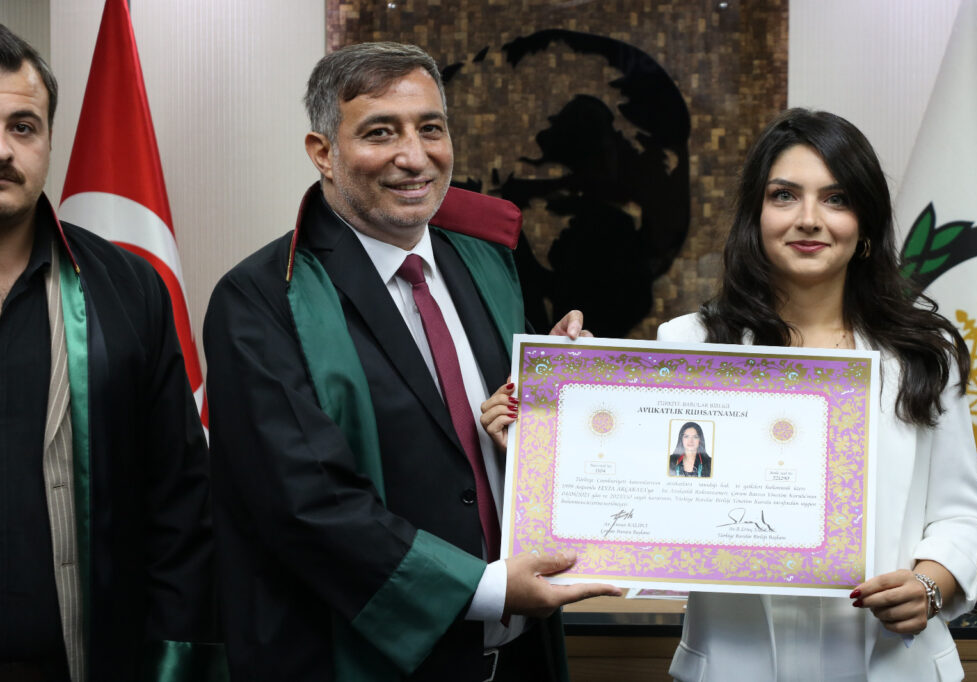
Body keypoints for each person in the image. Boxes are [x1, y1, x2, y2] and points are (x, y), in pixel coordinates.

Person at [203, 41, 619, 682]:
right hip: (362, 658)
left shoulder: (487, 262)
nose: (414, 156)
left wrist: (563, 389)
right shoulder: (261, 299)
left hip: (520, 657)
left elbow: (508, 439)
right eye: (380, 132)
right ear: (323, 153)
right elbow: (304, 504)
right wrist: (485, 589)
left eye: (430, 128)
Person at [657, 108, 977, 680]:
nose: (809, 219)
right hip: (735, 662)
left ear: (865, 224)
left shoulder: (923, 353)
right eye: (784, 196)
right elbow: (647, 496)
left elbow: (961, 515)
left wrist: (929, 586)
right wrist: (550, 400)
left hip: (893, 663)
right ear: (756, 216)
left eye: (836, 199)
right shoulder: (689, 345)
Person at [0, 25, 217, 682]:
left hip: (84, 662)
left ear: (49, 139)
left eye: (23, 127)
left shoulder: (128, 288)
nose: (3, 149)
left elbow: (180, 502)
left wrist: (171, 665)